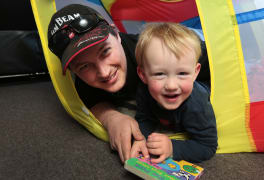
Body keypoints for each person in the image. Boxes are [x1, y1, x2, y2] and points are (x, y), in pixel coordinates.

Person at [47, 4, 211, 163]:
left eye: (105, 51)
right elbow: (90, 98)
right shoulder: (83, 81)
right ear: (73, 71)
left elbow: (218, 63)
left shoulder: (154, 54)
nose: (104, 72)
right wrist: (112, 118)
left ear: (117, 34)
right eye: (84, 66)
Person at [130, 23, 217, 163]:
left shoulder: (197, 104)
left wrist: (172, 147)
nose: (171, 86)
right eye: (159, 74)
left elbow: (208, 145)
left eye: (182, 73)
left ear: (195, 72)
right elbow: (144, 118)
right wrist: (141, 138)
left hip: (204, 91)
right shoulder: (144, 90)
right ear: (143, 75)